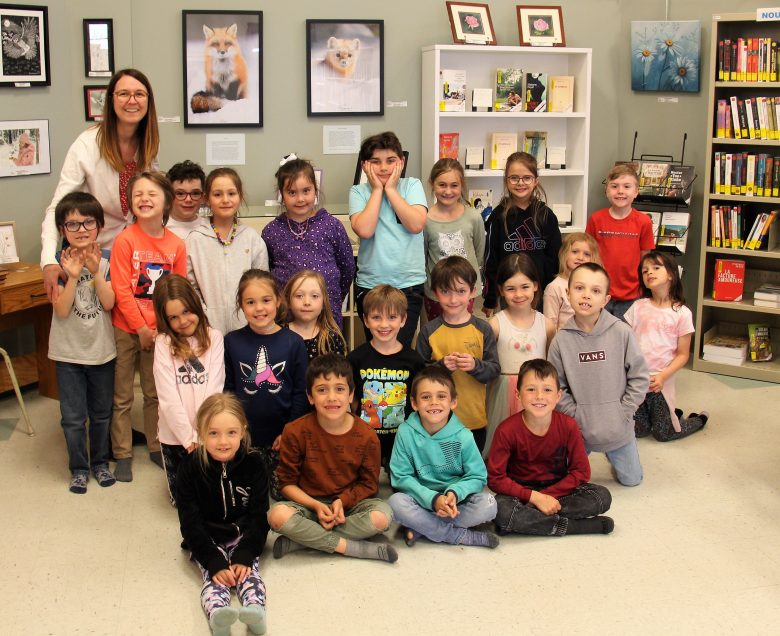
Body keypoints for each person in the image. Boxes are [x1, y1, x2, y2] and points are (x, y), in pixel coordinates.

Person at [41, 68, 159, 301]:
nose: (132, 101)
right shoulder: (87, 144)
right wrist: (47, 261)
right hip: (91, 259)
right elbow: (58, 208)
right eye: (123, 94)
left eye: (139, 94)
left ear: (148, 100)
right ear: (111, 100)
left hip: (131, 255)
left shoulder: (148, 144)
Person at [267, 354, 398, 564]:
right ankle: (351, 547)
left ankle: (303, 541)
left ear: (351, 395)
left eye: (339, 389)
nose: (331, 397)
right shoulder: (294, 431)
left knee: (382, 517)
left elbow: (369, 484)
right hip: (308, 506)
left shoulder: (367, 435)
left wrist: (342, 502)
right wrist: (317, 506)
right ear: (310, 397)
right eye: (321, 390)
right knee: (277, 516)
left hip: (349, 507)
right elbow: (286, 484)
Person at [110, 171, 187, 482]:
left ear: (166, 201)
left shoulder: (176, 245)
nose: (144, 199)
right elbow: (121, 289)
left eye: (152, 194)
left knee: (156, 393)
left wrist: (160, 329)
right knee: (123, 394)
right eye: (138, 194)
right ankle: (122, 452)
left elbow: (177, 292)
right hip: (126, 328)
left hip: (161, 333)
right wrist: (141, 327)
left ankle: (156, 446)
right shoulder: (125, 240)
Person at [175, 393, 269, 636]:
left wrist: (246, 552)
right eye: (213, 433)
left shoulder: (255, 463)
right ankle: (218, 616)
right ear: (201, 432)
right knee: (215, 579)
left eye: (231, 433)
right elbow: (190, 521)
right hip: (207, 537)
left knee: (250, 575)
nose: (223, 441)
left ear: (243, 431)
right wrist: (213, 561)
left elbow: (260, 515)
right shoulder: (190, 467)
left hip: (243, 535)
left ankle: (255, 612)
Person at [547, 263, 649, 487]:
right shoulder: (561, 340)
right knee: (562, 481)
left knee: (632, 481)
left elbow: (640, 377)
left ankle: (615, 456)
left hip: (618, 427)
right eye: (579, 288)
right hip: (580, 429)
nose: (586, 296)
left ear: (605, 299)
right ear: (568, 293)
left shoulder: (622, 332)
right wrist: (575, 415)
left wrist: (624, 411)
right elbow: (555, 387)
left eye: (595, 291)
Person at [488, 359, 614, 536]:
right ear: (518, 394)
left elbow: (581, 472)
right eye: (531, 389)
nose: (539, 396)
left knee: (602, 496)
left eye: (547, 390)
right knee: (500, 509)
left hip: (559, 489)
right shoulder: (506, 430)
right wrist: (535, 498)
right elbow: (495, 478)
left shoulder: (568, 425)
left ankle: (526, 523)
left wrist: (547, 497)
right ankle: (576, 527)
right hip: (521, 493)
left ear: (558, 396)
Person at [48, 192, 116, 494]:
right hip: (68, 353)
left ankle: (100, 463)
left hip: (102, 351)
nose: (81, 229)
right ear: (63, 229)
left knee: (101, 414)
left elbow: (110, 302)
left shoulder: (109, 260)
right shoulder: (55, 265)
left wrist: (96, 271)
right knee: (73, 418)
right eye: (72, 224)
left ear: (98, 225)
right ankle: (78, 469)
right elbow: (61, 310)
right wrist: (73, 276)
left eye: (87, 222)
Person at [388, 365, 499, 548]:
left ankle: (422, 527)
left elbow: (477, 477)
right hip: (422, 500)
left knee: (488, 503)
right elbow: (401, 477)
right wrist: (433, 500)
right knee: (395, 503)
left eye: (441, 396)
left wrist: (454, 493)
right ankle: (460, 536)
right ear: (414, 403)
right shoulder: (405, 432)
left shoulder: (464, 436)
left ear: (453, 402)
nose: (434, 402)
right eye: (425, 397)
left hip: (456, 502)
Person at [223, 269, 308, 499]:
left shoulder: (294, 343)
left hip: (283, 436)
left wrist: (289, 431)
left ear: (278, 300)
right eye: (250, 302)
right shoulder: (232, 341)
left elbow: (301, 393)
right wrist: (236, 430)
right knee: (246, 497)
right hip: (246, 437)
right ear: (240, 305)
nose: (259, 308)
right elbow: (229, 390)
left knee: (283, 496)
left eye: (266, 300)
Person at [349, 132, 428, 347]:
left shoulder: (412, 185)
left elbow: (416, 224)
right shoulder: (358, 191)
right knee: (377, 348)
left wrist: (391, 190)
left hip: (408, 285)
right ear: (365, 165)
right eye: (376, 162)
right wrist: (377, 190)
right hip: (371, 285)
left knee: (399, 349)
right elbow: (364, 230)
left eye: (390, 161)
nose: (384, 168)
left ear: (401, 162)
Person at [152, 274, 225, 503]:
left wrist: (202, 435)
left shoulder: (214, 337)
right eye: (173, 317)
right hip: (174, 436)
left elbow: (214, 388)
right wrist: (188, 438)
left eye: (186, 312)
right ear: (165, 319)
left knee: (210, 498)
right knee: (182, 500)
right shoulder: (163, 343)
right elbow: (167, 397)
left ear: (195, 305)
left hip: (207, 433)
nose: (182, 321)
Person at [416, 256, 500, 452]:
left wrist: (475, 366)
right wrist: (442, 368)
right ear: (435, 293)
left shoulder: (483, 329)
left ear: (473, 291)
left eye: (461, 291)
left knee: (470, 474)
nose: (453, 300)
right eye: (446, 292)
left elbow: (494, 370)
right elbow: (418, 375)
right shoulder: (428, 331)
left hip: (474, 420)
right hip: (436, 421)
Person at [262, 156, 355, 328]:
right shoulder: (272, 231)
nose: (300, 199)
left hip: (327, 316)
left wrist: (331, 298)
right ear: (281, 194)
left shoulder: (331, 226)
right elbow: (266, 274)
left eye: (306, 191)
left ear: (315, 190)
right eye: (292, 192)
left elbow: (347, 268)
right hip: (286, 319)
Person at [626, 251, 708, 441]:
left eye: (656, 268)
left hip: (660, 382)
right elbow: (626, 342)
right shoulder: (638, 307)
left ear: (671, 274)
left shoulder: (682, 313)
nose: (649, 273)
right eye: (645, 271)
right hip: (636, 380)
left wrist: (663, 376)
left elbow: (682, 355)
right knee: (638, 431)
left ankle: (699, 419)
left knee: (664, 434)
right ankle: (671, 413)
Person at [485, 254, 555, 456]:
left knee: (534, 437)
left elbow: (550, 363)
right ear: (501, 290)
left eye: (524, 287)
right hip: (503, 392)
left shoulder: (547, 325)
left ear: (535, 285)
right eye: (510, 288)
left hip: (536, 390)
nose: (518, 294)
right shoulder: (495, 324)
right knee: (505, 438)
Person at [347, 285, 425, 465]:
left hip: (402, 442)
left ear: (403, 319)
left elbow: (418, 402)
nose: (384, 325)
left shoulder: (414, 361)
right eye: (376, 317)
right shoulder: (355, 359)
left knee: (398, 488)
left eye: (392, 317)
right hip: (365, 440)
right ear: (366, 320)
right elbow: (352, 401)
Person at [186, 168, 269, 334]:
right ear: (207, 199)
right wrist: (204, 314)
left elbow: (262, 284)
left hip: (248, 329)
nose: (225, 200)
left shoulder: (251, 238)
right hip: (208, 329)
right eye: (217, 194)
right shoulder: (195, 240)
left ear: (240, 196)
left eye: (231, 193)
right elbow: (189, 286)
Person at [483, 151, 561, 317]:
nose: (520, 183)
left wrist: (551, 290)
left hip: (540, 293)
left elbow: (555, 258)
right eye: (514, 178)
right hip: (509, 293)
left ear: (535, 181)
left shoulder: (546, 216)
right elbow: (491, 260)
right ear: (506, 181)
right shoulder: (498, 217)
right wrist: (490, 298)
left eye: (527, 177)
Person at [586, 164, 655, 320]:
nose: (620, 191)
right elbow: (589, 254)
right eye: (614, 186)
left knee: (624, 338)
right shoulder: (596, 219)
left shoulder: (644, 222)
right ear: (607, 190)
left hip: (631, 295)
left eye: (627, 186)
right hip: (599, 291)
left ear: (636, 191)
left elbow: (645, 258)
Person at [422, 158, 485, 320]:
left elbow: (478, 253)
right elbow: (422, 257)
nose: (448, 191)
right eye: (442, 185)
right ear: (432, 184)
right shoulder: (425, 219)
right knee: (438, 335)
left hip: (466, 291)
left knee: (462, 334)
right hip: (437, 293)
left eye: (454, 185)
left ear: (462, 185)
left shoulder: (473, 217)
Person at [283, 269, 346, 361]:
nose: (307, 302)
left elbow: (340, 373)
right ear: (288, 301)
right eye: (299, 296)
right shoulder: (278, 335)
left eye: (315, 296)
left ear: (323, 303)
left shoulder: (332, 339)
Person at [543, 232, 601, 331]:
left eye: (586, 254)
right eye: (575, 252)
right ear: (564, 253)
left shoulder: (595, 286)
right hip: (565, 343)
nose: (580, 258)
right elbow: (550, 326)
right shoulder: (555, 287)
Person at [166, 160, 206, 239]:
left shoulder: (209, 228)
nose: (188, 200)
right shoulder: (158, 228)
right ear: (169, 195)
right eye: (180, 194)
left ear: (203, 197)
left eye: (195, 193)